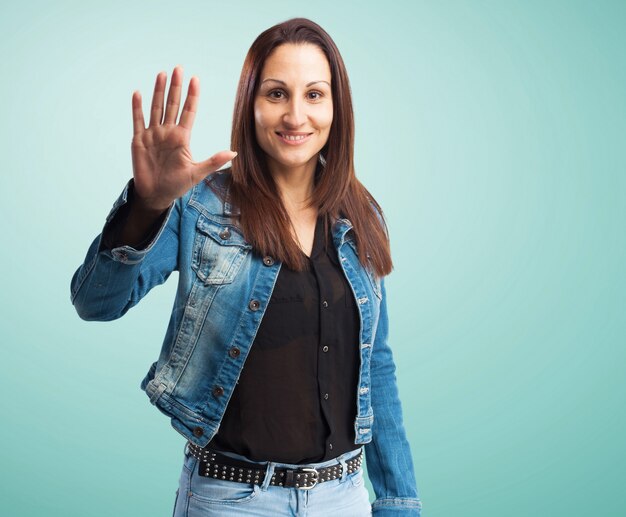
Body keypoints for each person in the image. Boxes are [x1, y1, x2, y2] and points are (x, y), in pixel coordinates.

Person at [70, 17, 422, 517]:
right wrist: (147, 207)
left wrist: (399, 502)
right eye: (276, 94)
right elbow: (95, 303)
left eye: (315, 95)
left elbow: (377, 366)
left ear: (337, 107)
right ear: (250, 104)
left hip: (344, 498)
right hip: (230, 500)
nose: (296, 115)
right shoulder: (199, 206)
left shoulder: (362, 216)